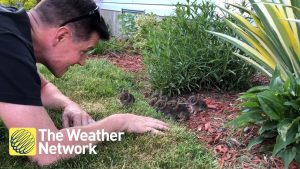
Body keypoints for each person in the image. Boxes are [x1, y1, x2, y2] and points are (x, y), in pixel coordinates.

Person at [0, 0, 169, 166]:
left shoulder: (12, 26)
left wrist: (68, 104)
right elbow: (44, 152)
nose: (82, 62)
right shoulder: (6, 44)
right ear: (62, 36)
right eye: (83, 51)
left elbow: (42, 88)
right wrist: (120, 122)